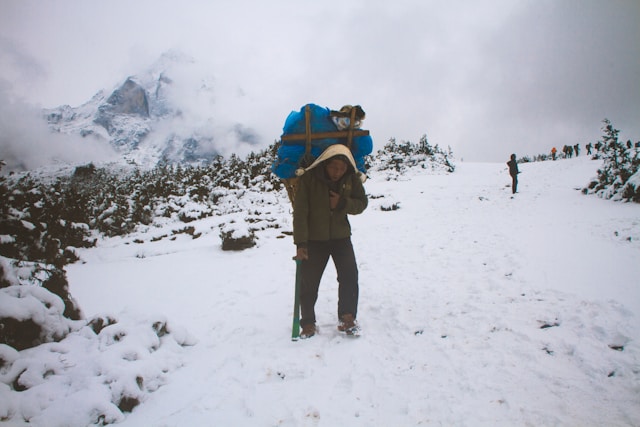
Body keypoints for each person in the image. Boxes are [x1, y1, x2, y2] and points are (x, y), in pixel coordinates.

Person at [293, 144, 368, 338]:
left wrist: (342, 203)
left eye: (342, 168)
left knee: (349, 276)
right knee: (309, 282)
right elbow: (300, 212)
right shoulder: (309, 179)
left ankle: (347, 317)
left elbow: (362, 203)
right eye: (334, 166)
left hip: (341, 237)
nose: (337, 172)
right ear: (325, 163)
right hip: (314, 239)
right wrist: (301, 244)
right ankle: (308, 323)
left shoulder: (351, 178)